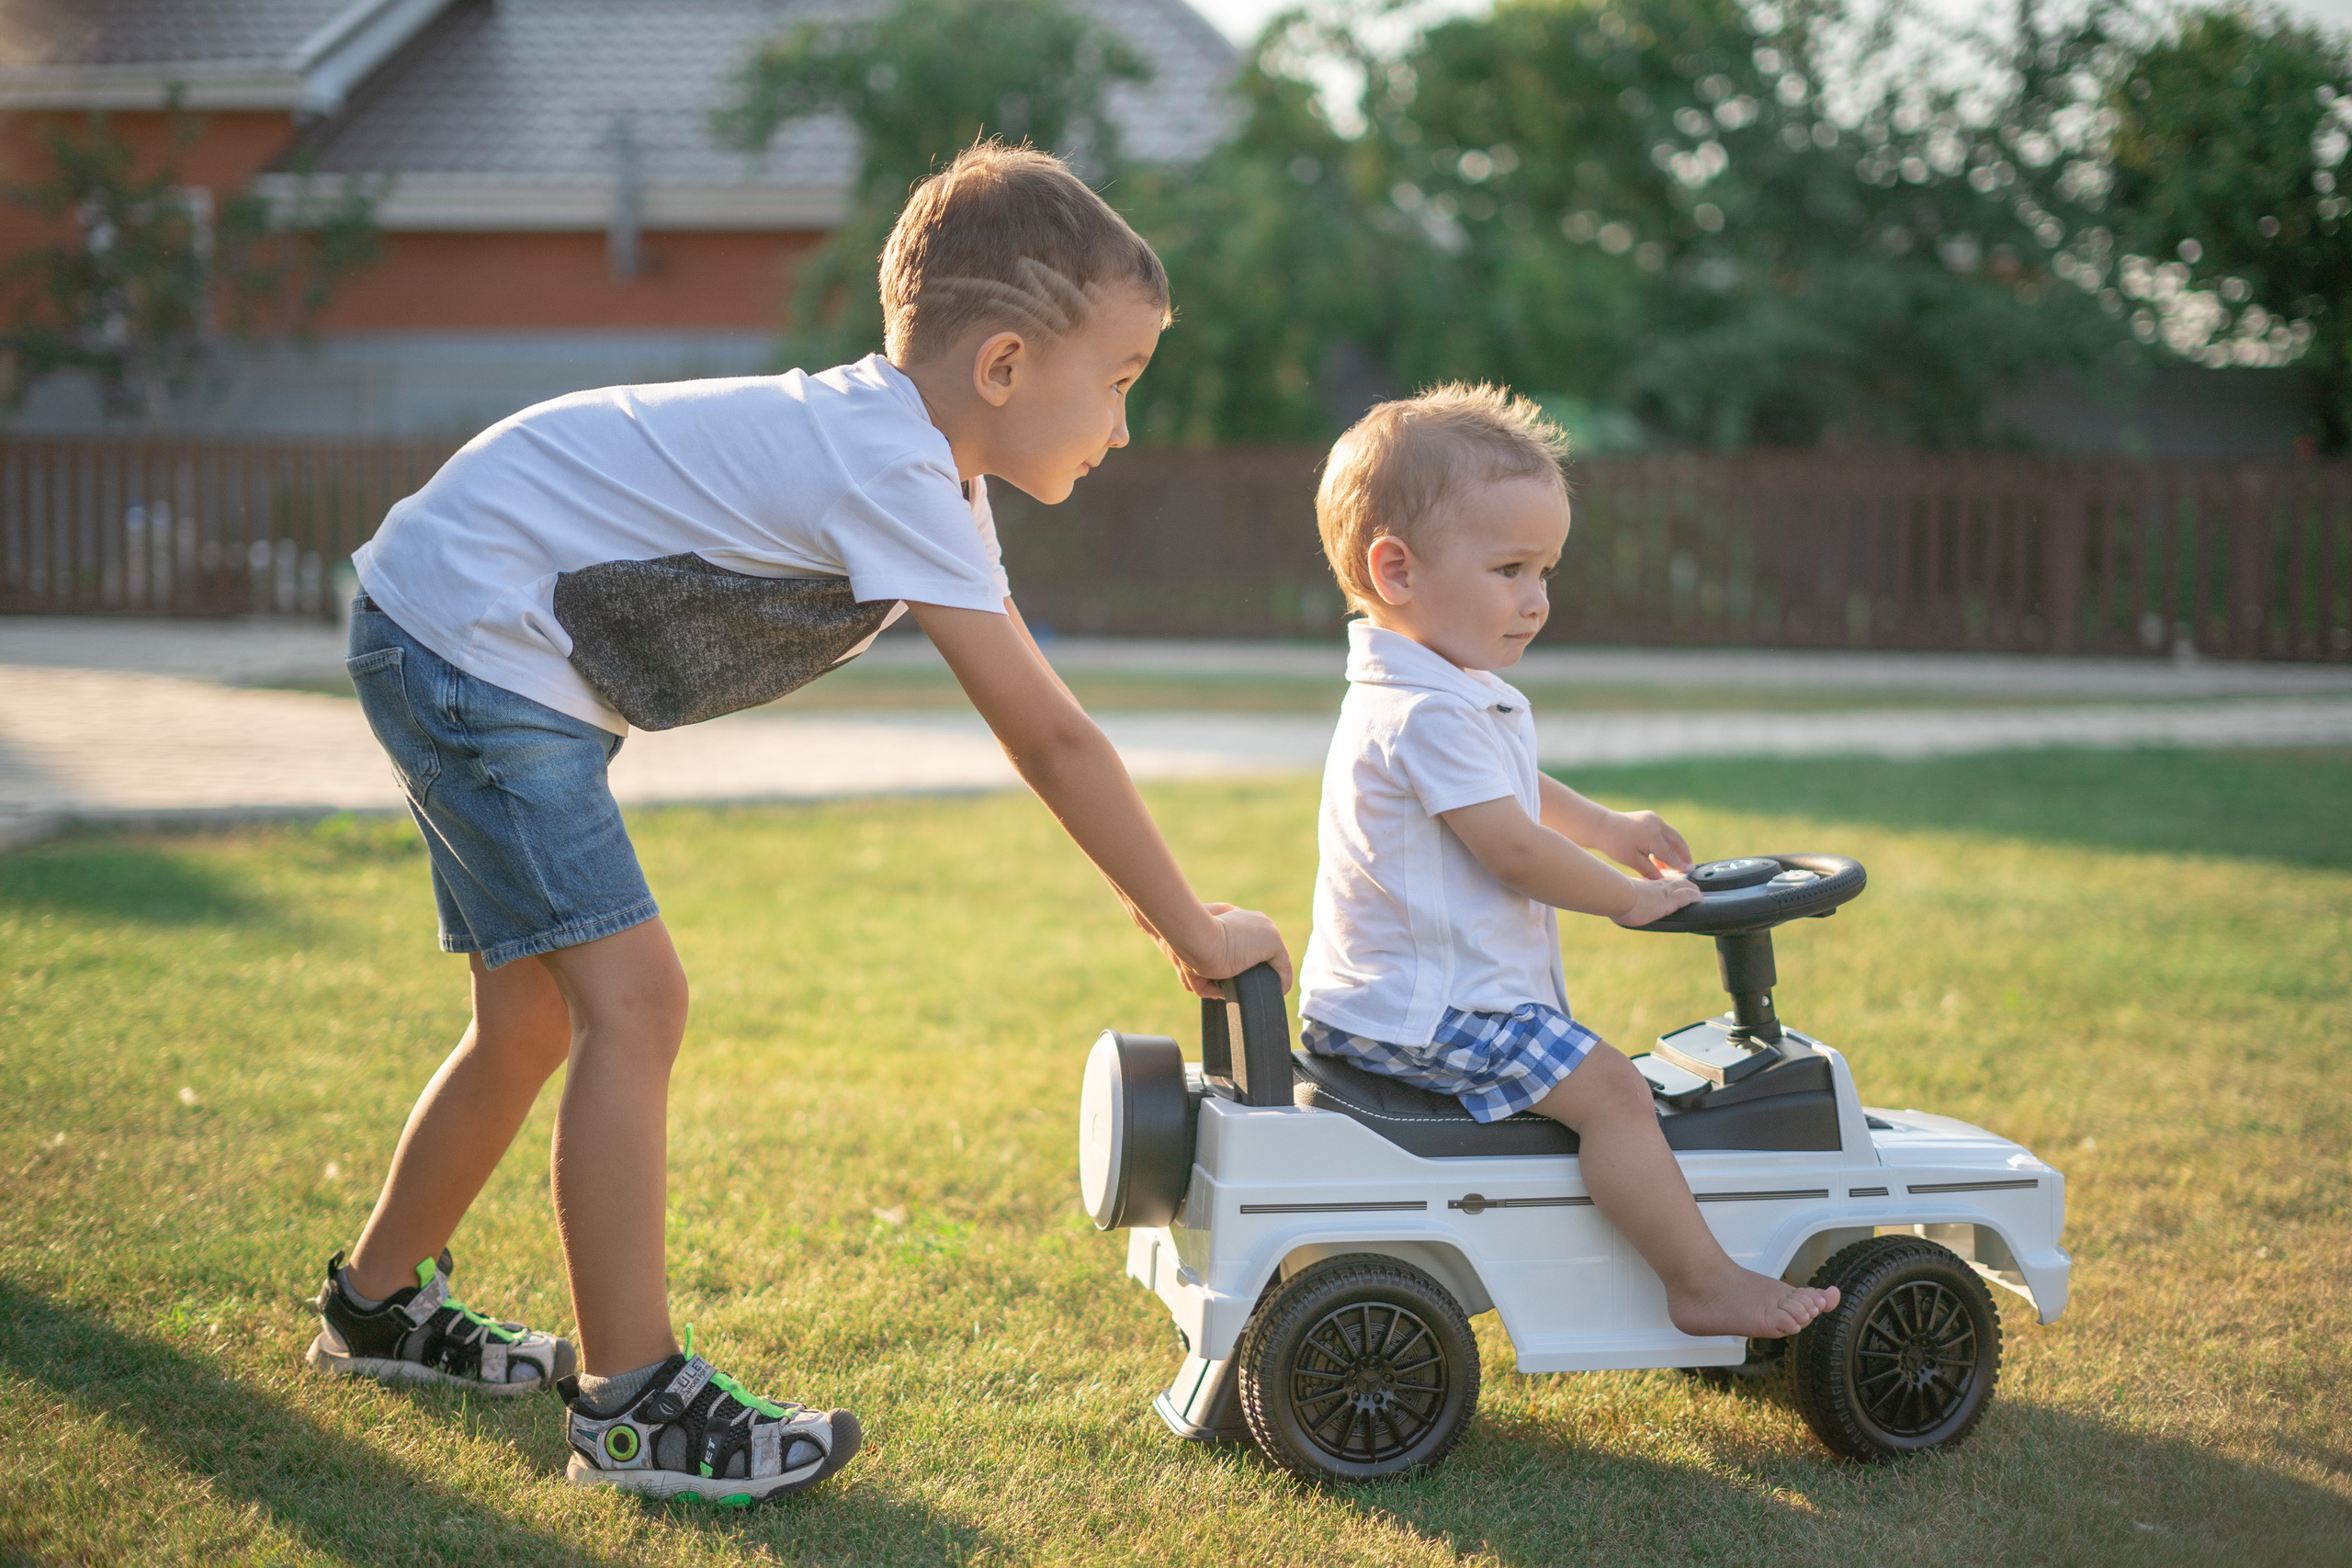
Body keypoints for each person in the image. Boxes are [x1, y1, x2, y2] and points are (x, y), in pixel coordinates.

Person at [305, 141, 1292, 1505]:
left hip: (458, 620)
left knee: (533, 1016)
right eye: (1120, 384)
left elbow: (1041, 716)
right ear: (1002, 367)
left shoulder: (920, 469)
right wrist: (1190, 923)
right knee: (634, 1002)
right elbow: (1051, 734)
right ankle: (634, 1405)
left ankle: (373, 1305)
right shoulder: (894, 463)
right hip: (475, 636)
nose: (1125, 426)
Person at [1296, 385, 1838, 1340]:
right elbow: (1507, 846)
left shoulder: (1444, 692)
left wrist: (1606, 826)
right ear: (1396, 570)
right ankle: (1700, 1281)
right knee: (1611, 1091)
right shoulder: (1424, 710)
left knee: (1594, 1074)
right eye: (1509, 568)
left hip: (1401, 996)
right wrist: (1625, 901)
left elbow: (1512, 792)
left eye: (1546, 570)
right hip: (1424, 1011)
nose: (1537, 600)